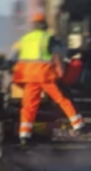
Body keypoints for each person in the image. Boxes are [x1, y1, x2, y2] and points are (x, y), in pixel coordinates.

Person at [11, 13, 86, 145]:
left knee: (28, 106)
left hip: (29, 77)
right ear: (44, 25)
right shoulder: (47, 38)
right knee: (62, 99)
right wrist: (77, 50)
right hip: (44, 76)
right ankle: (78, 125)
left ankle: (24, 135)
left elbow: (13, 58)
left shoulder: (24, 39)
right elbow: (63, 52)